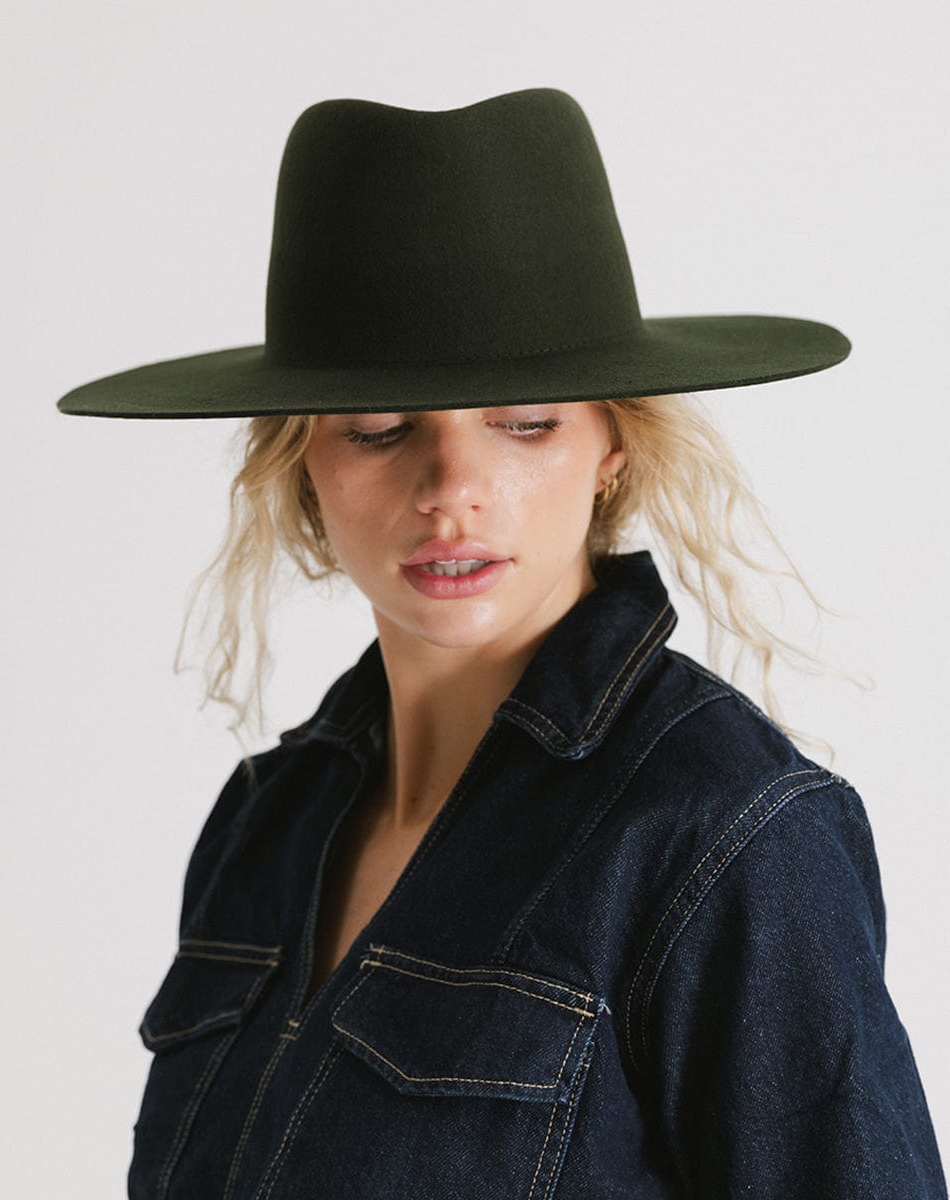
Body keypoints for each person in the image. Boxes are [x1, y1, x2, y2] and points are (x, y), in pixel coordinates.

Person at [58, 89, 947, 1199]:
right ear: (303, 463)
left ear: (611, 443)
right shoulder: (265, 820)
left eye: (525, 422)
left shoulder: (722, 829)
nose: (453, 491)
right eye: (378, 431)